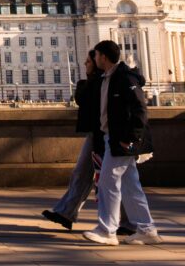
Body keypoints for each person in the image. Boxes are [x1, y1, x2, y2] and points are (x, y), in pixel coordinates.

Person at [42, 51, 134, 235]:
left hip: (108, 134)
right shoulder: (92, 82)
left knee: (115, 180)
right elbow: (82, 100)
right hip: (95, 133)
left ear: (100, 60)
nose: (85, 63)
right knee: (82, 173)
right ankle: (66, 212)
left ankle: (128, 222)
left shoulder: (107, 82)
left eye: (88, 61)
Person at [82, 40, 160, 246]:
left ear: (103, 57)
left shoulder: (124, 78)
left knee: (108, 183)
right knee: (130, 186)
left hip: (123, 140)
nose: (93, 58)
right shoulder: (109, 77)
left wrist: (131, 140)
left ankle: (107, 230)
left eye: (96, 55)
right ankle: (147, 228)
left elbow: (140, 110)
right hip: (113, 137)